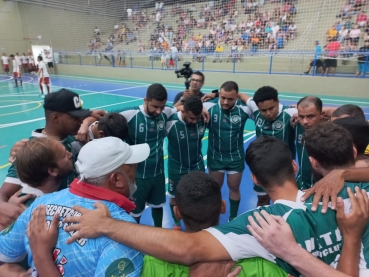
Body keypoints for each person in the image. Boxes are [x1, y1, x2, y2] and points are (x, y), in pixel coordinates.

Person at [62, 135, 363, 277]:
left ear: (255, 179)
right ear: (296, 167)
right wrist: (345, 173)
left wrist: (108, 225)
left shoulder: (262, 225)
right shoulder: (353, 195)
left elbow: (189, 249)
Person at [0, 137, 149, 276]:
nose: (136, 168)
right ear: (117, 179)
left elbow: (4, 254)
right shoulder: (126, 236)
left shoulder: (41, 205)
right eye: (132, 166)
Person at [81, 84, 185, 227]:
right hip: (137, 176)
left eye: (162, 106)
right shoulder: (130, 113)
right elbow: (100, 115)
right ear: (146, 100)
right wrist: (84, 125)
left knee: (158, 206)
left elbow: (177, 108)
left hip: (158, 173)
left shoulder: (165, 111)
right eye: (155, 106)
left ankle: (158, 232)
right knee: (135, 212)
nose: (159, 111)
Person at [0, 89, 103, 230]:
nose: (80, 121)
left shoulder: (70, 138)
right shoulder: (34, 152)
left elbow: (101, 117)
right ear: (55, 118)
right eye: (75, 117)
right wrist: (3, 207)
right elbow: (3, 193)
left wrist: (88, 116)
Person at [239, 86, 297, 206]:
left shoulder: (290, 114)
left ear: (278, 101)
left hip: (283, 170)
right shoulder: (256, 109)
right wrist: (215, 95)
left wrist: (300, 110)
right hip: (262, 168)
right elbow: (241, 95)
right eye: (263, 110)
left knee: (286, 202)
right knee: (262, 200)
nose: (268, 113)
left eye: (271, 108)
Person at [202, 81, 252, 221]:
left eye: (230, 99)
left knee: (234, 188)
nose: (225, 101)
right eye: (222, 97)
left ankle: (233, 218)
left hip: (235, 158)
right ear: (219, 94)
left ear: (237, 97)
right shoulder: (208, 106)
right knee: (215, 189)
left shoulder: (245, 109)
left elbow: (263, 116)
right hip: (215, 157)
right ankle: (214, 216)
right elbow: (186, 109)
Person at [167, 97, 206, 229]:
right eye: (191, 118)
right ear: (183, 111)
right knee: (174, 197)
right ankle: (177, 223)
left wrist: (214, 94)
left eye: (197, 118)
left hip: (197, 166)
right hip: (176, 168)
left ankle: (197, 220)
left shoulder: (203, 118)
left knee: (200, 195)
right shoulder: (170, 122)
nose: (195, 121)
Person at [295, 96, 325, 190]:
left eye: (311, 116)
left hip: (323, 187)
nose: (305, 122)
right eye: (301, 116)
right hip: (301, 184)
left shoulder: (331, 133)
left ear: (322, 114)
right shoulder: (296, 125)